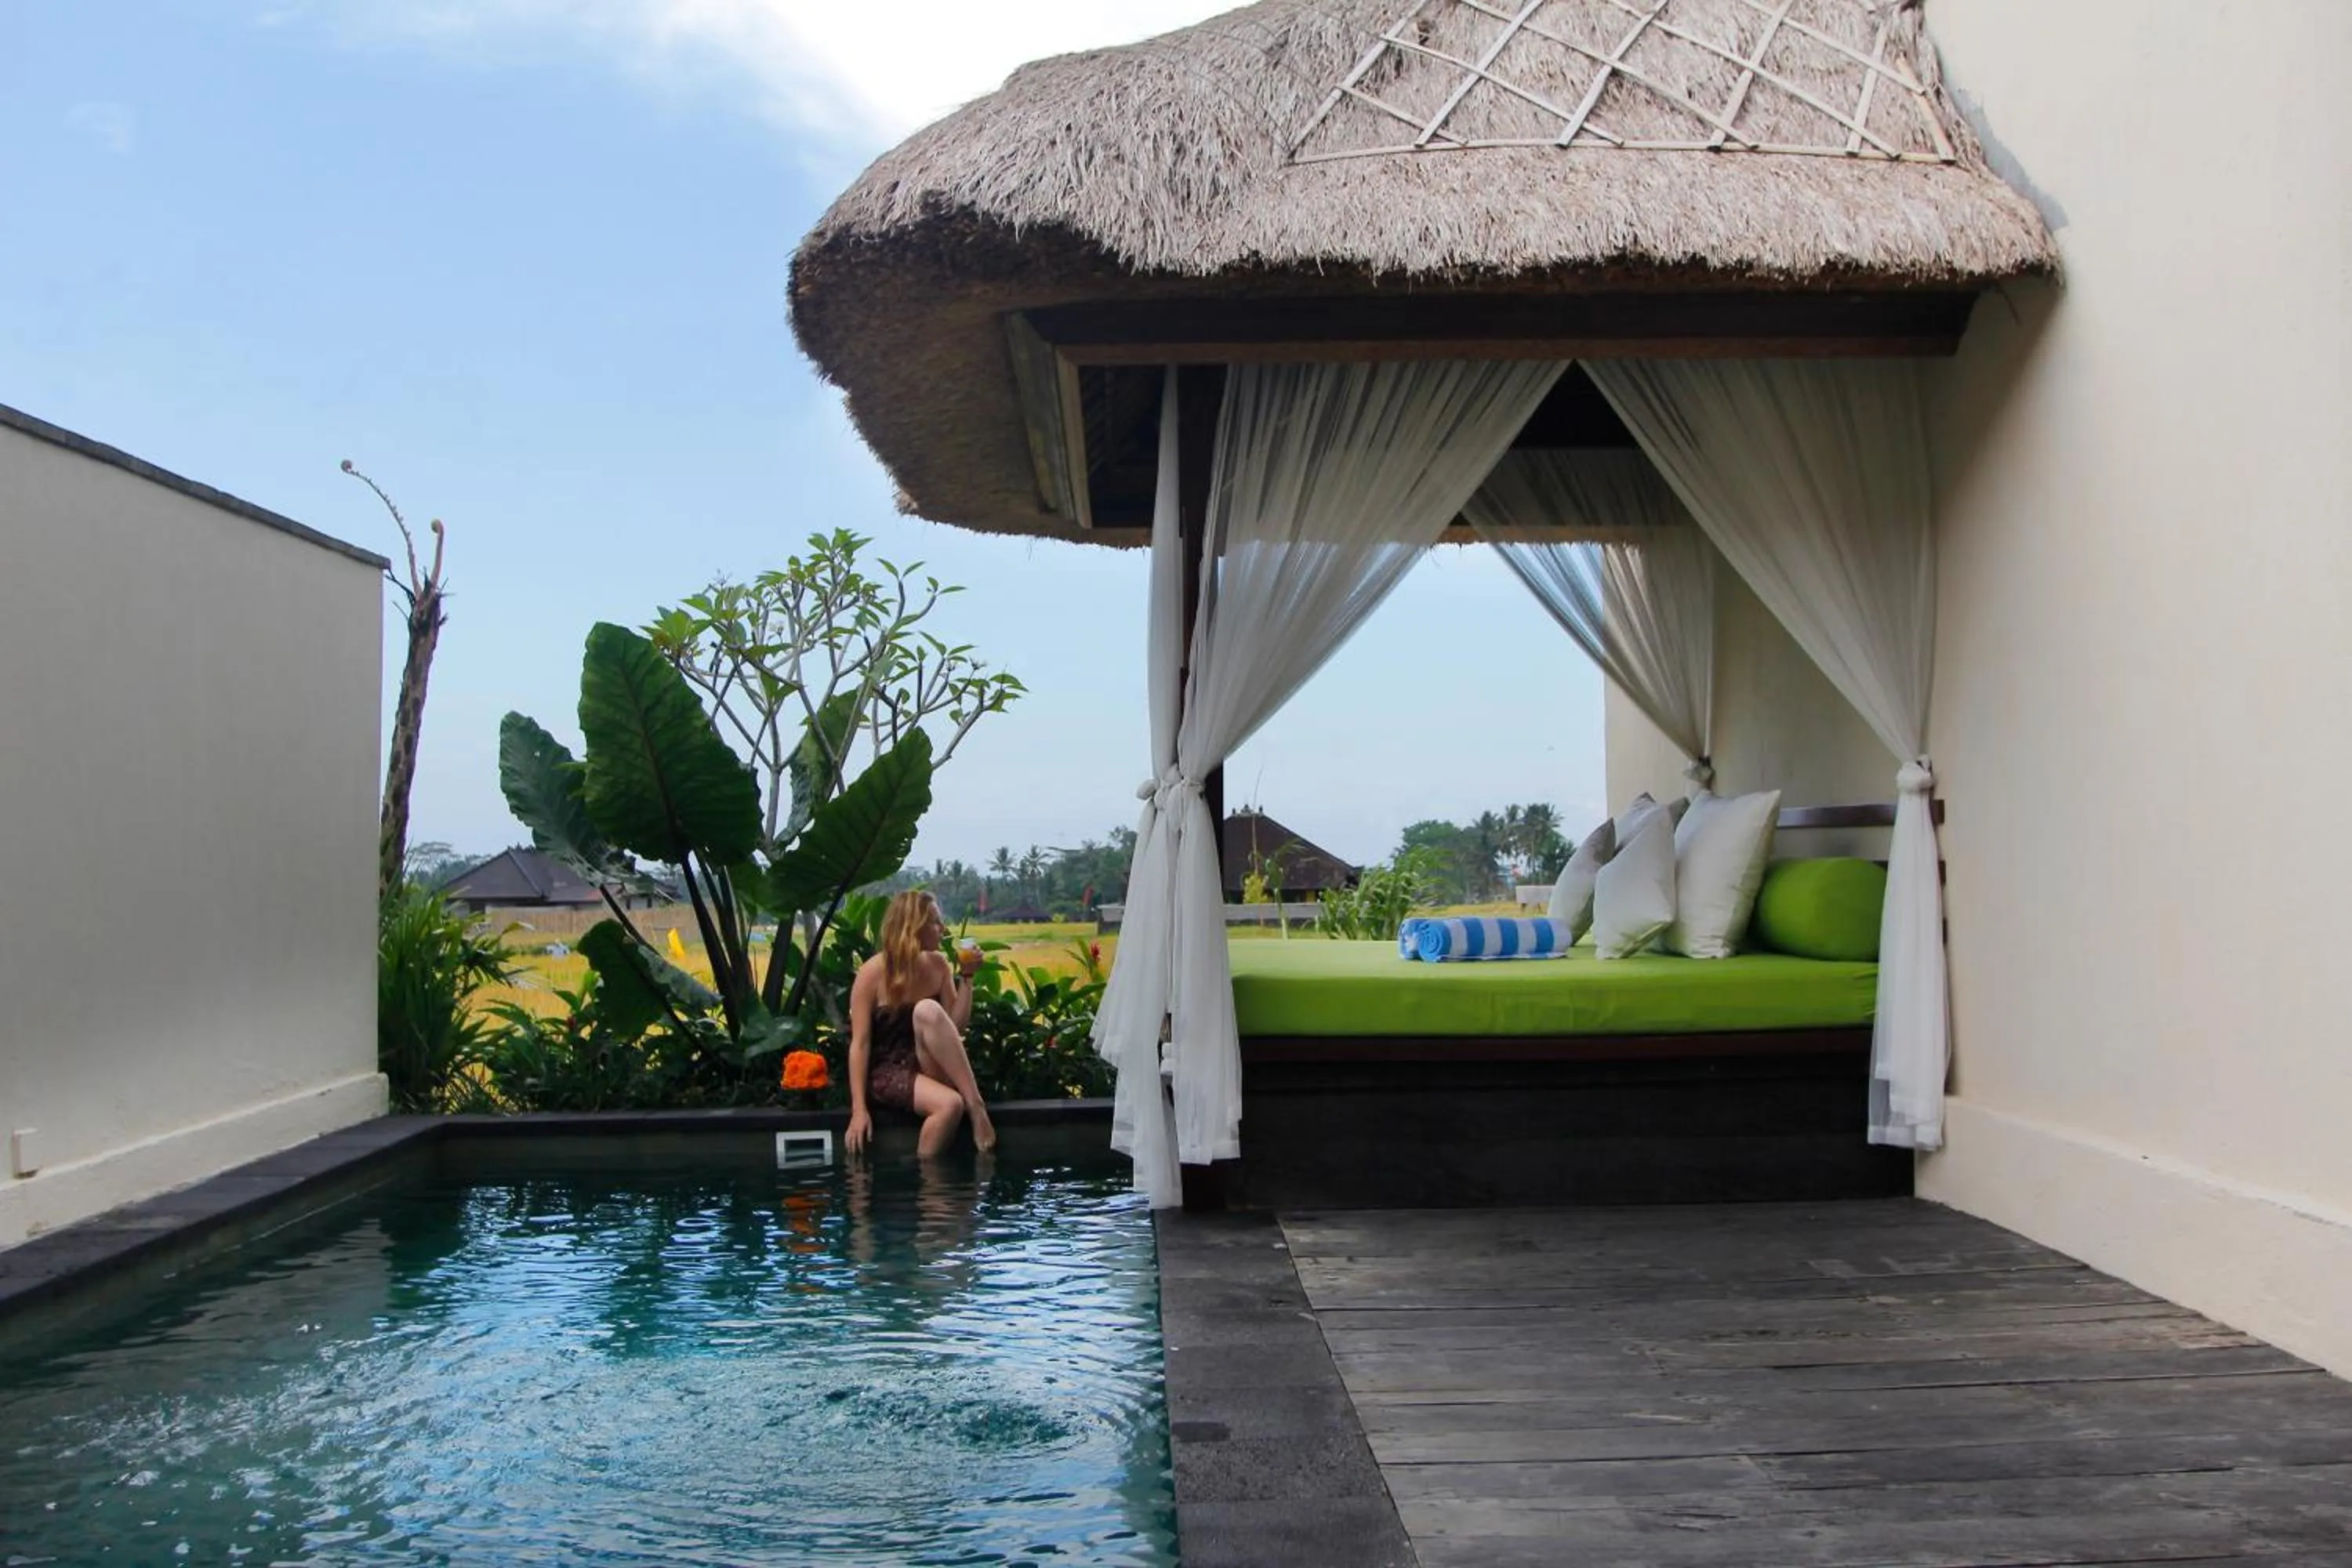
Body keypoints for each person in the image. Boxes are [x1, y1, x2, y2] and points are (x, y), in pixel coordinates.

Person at [844, 890, 996, 1160]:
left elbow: (954, 1029)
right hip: (889, 1071)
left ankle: (977, 1106)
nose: (943, 929)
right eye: (935, 922)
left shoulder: (939, 966)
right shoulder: (872, 973)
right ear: (913, 927)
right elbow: (860, 1044)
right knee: (950, 1105)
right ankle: (927, 1183)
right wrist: (859, 1110)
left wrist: (968, 979)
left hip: (930, 1064)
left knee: (928, 1010)